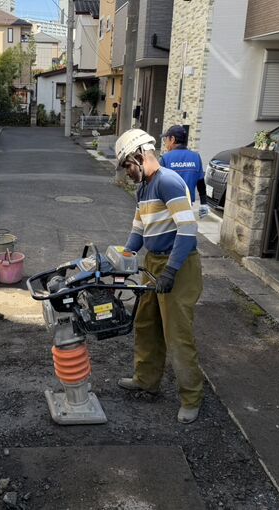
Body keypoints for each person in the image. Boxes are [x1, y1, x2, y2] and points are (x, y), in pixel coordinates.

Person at [115, 128, 205, 424]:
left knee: (177, 334)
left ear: (140, 156)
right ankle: (146, 379)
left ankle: (191, 397)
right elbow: (138, 230)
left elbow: (187, 229)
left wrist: (171, 271)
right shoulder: (144, 188)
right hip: (153, 263)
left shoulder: (168, 182)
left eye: (128, 165)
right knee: (146, 323)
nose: (128, 173)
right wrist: (123, 257)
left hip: (179, 265)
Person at [160, 125, 209, 219]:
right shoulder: (196, 157)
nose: (165, 143)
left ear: (172, 139)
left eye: (166, 139)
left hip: (168, 208)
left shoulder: (166, 158)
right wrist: (203, 203)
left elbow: (157, 184)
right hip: (187, 208)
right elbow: (201, 183)